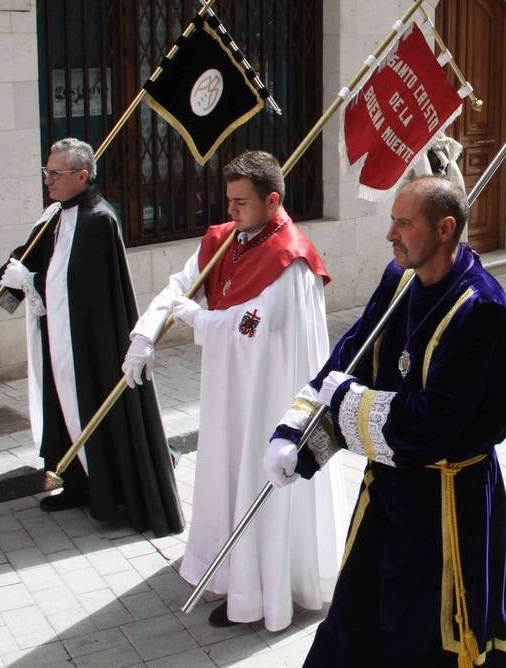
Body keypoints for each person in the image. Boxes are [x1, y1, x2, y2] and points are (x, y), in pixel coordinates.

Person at [267, 176, 506, 666]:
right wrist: (296, 437)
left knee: (425, 638)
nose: (391, 234)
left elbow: (429, 425)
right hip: (386, 494)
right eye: (393, 221)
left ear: (445, 228)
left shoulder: (483, 312)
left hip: (448, 509)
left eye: (404, 223)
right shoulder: (399, 279)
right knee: (357, 620)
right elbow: (351, 358)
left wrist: (344, 401)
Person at [124, 151, 344, 631]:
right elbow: (180, 285)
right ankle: (226, 572)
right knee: (225, 473)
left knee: (254, 475)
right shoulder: (225, 240)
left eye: (241, 203)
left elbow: (254, 326)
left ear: (272, 200)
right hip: (228, 386)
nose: (231, 211)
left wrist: (196, 318)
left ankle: (262, 589)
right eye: (227, 201)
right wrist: (145, 332)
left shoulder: (292, 257)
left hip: (270, 393)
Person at [0, 139, 182, 534]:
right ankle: (74, 482)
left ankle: (106, 494)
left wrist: (30, 281)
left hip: (90, 343)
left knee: (89, 408)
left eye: (56, 174)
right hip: (57, 336)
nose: (48, 181)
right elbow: (28, 255)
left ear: (82, 176)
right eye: (46, 172)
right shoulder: (56, 213)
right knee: (59, 407)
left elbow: (80, 288)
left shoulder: (99, 219)